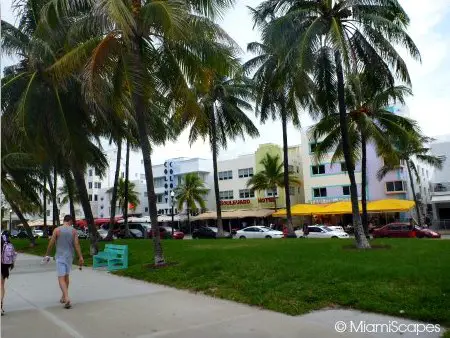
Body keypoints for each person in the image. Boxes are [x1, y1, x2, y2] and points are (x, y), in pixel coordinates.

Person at [44, 215, 84, 309]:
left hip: (60, 256)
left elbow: (51, 243)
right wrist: (80, 257)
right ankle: (63, 296)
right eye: (71, 222)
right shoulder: (73, 231)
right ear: (69, 221)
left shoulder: (57, 230)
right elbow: (76, 244)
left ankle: (66, 297)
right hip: (69, 257)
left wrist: (47, 254)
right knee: (66, 277)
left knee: (61, 278)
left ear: (64, 220)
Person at [2, 231, 17, 315]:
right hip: (4, 267)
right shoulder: (10, 245)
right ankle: (1, 306)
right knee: (1, 286)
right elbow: (13, 256)